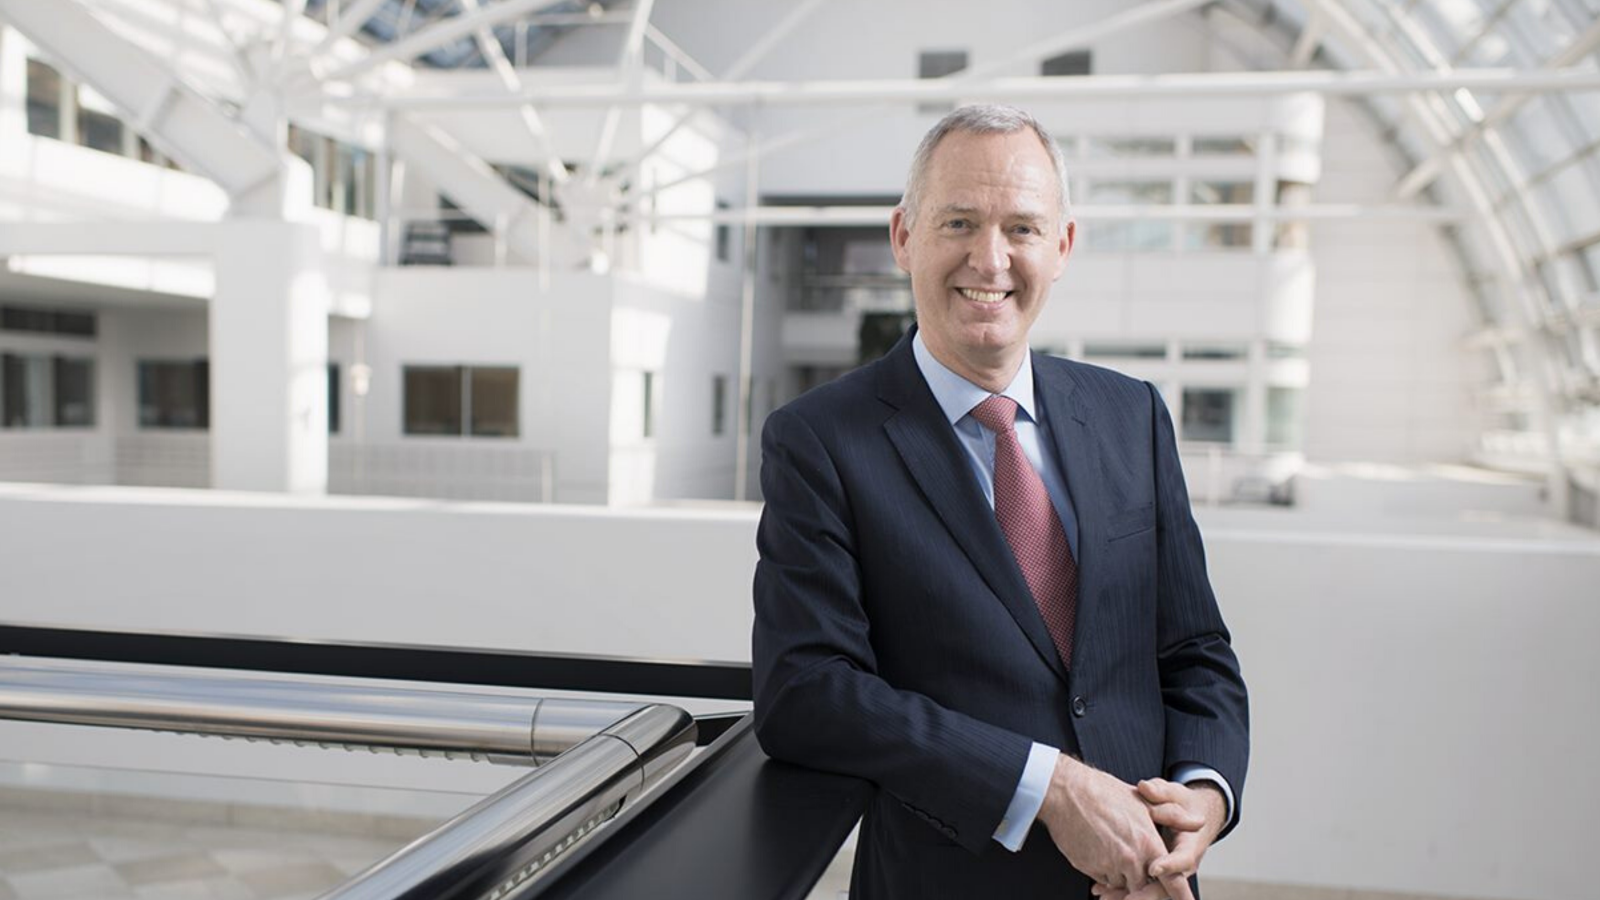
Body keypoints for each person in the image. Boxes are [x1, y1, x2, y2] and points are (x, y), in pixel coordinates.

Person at [751, 104, 1249, 900]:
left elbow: (1193, 649)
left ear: (1063, 247)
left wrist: (1203, 796)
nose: (991, 258)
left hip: (1145, 882)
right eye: (958, 222)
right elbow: (806, 691)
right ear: (903, 236)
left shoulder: (1133, 416)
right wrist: (1051, 787)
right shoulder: (819, 440)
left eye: (1022, 227)